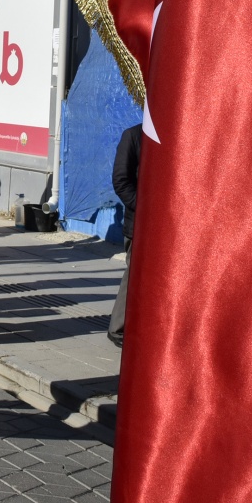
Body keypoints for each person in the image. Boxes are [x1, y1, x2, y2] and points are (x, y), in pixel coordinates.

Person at [107, 123, 142, 348]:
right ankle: (118, 328)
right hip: (138, 223)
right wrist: (145, 206)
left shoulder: (175, 136)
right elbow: (121, 181)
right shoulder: (134, 136)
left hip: (167, 225)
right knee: (134, 275)